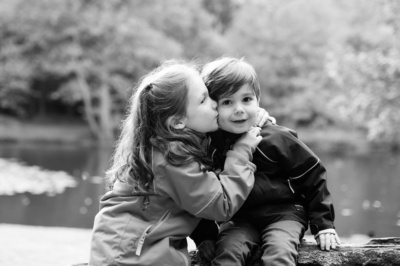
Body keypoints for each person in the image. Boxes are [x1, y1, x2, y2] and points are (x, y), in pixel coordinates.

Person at [88, 60, 270, 266]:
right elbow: (220, 204)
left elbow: (193, 195)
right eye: (204, 100)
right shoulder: (169, 157)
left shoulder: (179, 140)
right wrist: (241, 152)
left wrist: (251, 116)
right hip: (130, 256)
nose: (214, 103)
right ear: (177, 121)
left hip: (138, 248)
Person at [192, 57, 340, 266]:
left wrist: (323, 224)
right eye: (227, 102)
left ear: (258, 99)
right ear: (213, 107)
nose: (239, 109)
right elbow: (203, 194)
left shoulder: (276, 138)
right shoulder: (210, 147)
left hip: (285, 213)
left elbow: (313, 175)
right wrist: (205, 236)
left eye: (246, 99)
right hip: (239, 218)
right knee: (227, 255)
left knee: (278, 256)